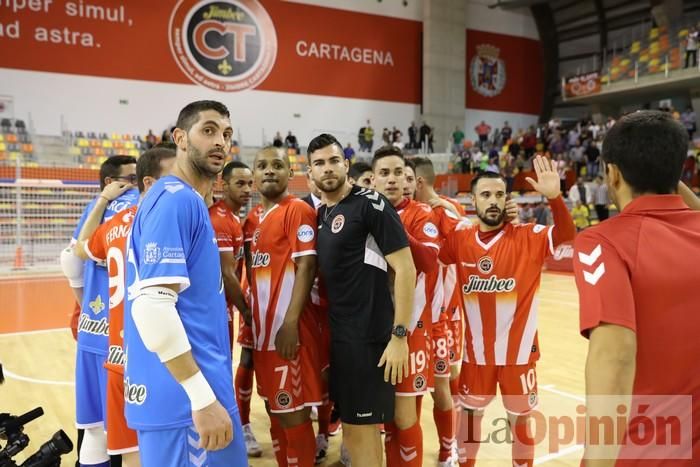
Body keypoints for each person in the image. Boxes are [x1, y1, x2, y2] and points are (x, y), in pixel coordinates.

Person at [123, 100, 247, 466]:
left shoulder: (185, 200)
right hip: (187, 404)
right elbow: (151, 307)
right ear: (180, 138)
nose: (220, 142)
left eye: (226, 134)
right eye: (208, 131)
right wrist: (201, 397)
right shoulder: (176, 200)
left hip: (194, 395)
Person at [573, 110, 700, 465]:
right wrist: (667, 175)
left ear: (612, 173)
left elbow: (613, 356)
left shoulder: (602, 242)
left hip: (645, 452)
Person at [441, 157, 575, 467]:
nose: (493, 200)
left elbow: (567, 235)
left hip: (519, 356)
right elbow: (431, 253)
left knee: (520, 423)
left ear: (507, 199)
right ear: (472, 200)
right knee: (470, 420)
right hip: (476, 356)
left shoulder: (530, 236)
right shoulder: (460, 240)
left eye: (499, 194)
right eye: (485, 195)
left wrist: (555, 198)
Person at [308, 134, 415, 467]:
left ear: (346, 164)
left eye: (333, 161)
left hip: (371, 339)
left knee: (366, 434)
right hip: (342, 341)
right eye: (319, 163)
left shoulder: (371, 203)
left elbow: (405, 269)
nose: (327, 168)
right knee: (353, 433)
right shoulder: (323, 215)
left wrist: (399, 336)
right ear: (310, 173)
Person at [73, 147, 177, 467]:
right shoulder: (158, 214)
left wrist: (81, 307)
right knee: (151, 441)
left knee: (101, 434)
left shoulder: (112, 215)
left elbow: (74, 254)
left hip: (105, 340)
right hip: (143, 346)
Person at [59, 155, 138, 467]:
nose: (136, 183)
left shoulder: (96, 208)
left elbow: (71, 259)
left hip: (92, 330)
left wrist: (82, 308)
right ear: (111, 181)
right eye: (131, 178)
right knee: (129, 433)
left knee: (94, 430)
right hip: (123, 334)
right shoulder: (138, 207)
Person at [249, 146, 323, 467]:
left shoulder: (297, 210)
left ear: (290, 174)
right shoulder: (256, 220)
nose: (269, 171)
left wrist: (290, 322)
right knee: (274, 412)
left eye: (277, 165)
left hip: (287, 335)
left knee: (294, 417)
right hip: (264, 337)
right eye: (262, 166)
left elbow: (307, 265)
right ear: (253, 176)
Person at [372, 147, 440, 467]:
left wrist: (395, 231)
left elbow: (428, 260)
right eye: (384, 173)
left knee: (403, 417)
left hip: (409, 330)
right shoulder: (365, 212)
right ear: (373, 179)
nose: (392, 179)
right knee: (386, 418)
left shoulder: (421, 214)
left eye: (398, 173)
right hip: (374, 329)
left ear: (407, 178)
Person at [208, 161, 263, 458]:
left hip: (226, 307)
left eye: (248, 184)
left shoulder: (234, 218)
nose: (246, 190)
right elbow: (227, 275)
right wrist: (248, 311)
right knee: (222, 369)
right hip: (219, 309)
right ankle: (233, 428)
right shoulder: (220, 220)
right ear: (223, 184)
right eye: (239, 184)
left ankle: (234, 425)